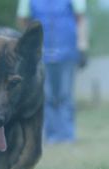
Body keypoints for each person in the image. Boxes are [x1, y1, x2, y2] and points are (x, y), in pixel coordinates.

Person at [17, 0, 89, 144]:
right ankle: (52, 136)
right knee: (47, 96)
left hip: (67, 51)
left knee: (65, 95)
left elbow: (81, 19)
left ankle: (68, 135)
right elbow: (23, 20)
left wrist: (82, 45)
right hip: (40, 54)